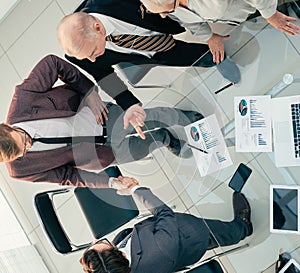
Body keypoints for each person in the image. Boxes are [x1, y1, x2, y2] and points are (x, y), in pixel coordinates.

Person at [0, 54, 203, 188]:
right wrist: (111, 182)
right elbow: (67, 177)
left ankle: (185, 118)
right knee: (145, 147)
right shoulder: (19, 170)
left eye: (23, 139)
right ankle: (165, 139)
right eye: (23, 151)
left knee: (151, 117)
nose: (29, 145)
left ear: (8, 127)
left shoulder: (23, 99)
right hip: (102, 155)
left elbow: (53, 63)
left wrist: (89, 92)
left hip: (104, 117)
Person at [57, 1, 241, 138]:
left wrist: (207, 34)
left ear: (98, 28)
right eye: (86, 58)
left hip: (165, 15)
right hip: (148, 50)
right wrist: (129, 105)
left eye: (93, 51)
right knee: (180, 55)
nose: (92, 59)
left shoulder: (112, 3)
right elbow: (104, 75)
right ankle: (213, 57)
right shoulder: (79, 52)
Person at [80, 176, 253, 273]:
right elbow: (164, 213)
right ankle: (243, 227)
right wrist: (134, 189)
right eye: (100, 244)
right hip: (191, 236)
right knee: (220, 233)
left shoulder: (113, 267)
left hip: (168, 241)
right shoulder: (159, 249)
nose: (96, 241)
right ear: (121, 257)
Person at [140, 0, 300, 64]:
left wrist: (270, 14)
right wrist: (209, 37)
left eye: (166, 11)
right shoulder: (173, 7)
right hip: (247, 12)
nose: (163, 16)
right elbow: (190, 21)